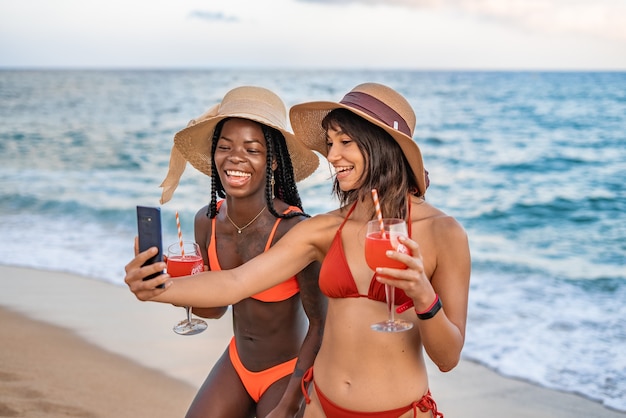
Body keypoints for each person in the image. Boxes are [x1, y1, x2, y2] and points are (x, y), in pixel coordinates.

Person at [126, 82, 471, 418]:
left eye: (345, 142)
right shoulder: (323, 228)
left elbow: (448, 358)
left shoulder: (443, 233)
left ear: (380, 145)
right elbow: (235, 282)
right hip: (321, 406)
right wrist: (158, 287)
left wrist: (424, 298)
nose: (332, 156)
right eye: (331, 142)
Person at [156, 86, 327, 418]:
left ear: (274, 161)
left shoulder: (294, 230)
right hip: (237, 363)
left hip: (289, 371)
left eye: (252, 149)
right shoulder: (206, 221)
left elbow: (321, 325)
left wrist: (293, 400)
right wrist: (174, 287)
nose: (235, 158)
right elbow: (216, 309)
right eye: (224, 147)